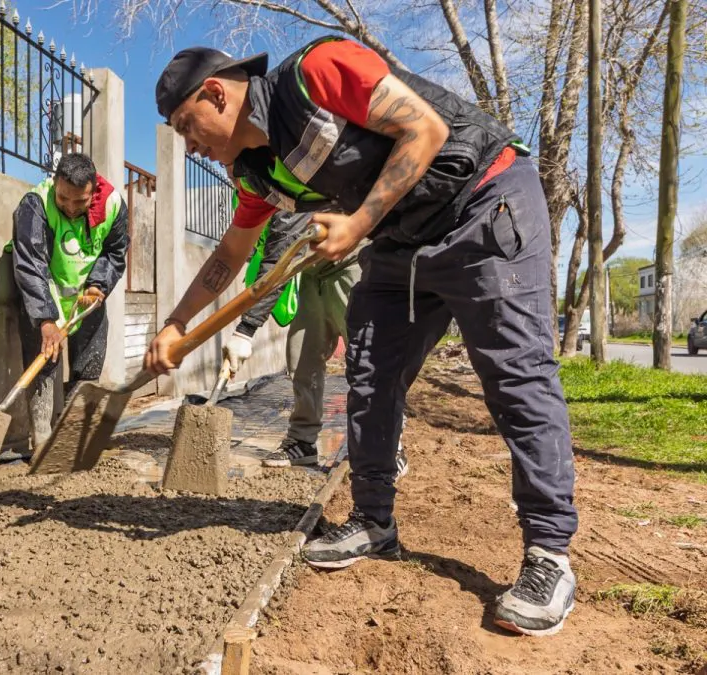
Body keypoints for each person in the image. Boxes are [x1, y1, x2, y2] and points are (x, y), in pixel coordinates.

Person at [147, 38, 578, 636]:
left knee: (515, 375)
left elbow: (424, 130)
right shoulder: (255, 173)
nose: (189, 145)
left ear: (216, 94)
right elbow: (230, 254)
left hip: (484, 202)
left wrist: (358, 223)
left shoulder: (317, 72)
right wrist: (176, 324)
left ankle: (549, 554)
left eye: (186, 127)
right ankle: (374, 521)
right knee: (371, 376)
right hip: (402, 239)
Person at [223, 194, 407, 477]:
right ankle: (302, 441)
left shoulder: (282, 188)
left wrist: (246, 330)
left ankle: (388, 443)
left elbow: (276, 263)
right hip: (310, 272)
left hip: (352, 263)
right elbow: (264, 254)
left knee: (369, 360)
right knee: (301, 358)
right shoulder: (248, 197)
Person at [7, 153, 129, 452]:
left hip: (86, 301)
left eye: (80, 201)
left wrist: (99, 284)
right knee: (43, 362)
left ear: (93, 191)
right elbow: (30, 264)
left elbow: (114, 253)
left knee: (88, 363)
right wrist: (46, 319)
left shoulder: (112, 205)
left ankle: (73, 440)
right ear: (55, 184)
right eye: (63, 199)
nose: (71, 208)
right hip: (43, 298)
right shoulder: (35, 205)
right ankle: (42, 439)